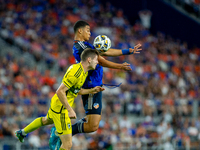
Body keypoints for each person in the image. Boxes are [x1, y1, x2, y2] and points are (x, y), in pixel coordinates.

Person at [50, 20, 142, 149]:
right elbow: (101, 61)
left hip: (96, 86)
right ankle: (60, 133)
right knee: (92, 126)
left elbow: (104, 51)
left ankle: (62, 132)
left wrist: (128, 51)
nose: (90, 32)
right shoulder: (80, 47)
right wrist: (120, 66)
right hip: (90, 87)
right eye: (87, 30)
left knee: (93, 126)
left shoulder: (86, 45)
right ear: (80, 31)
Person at [15, 48, 105, 150]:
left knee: (45, 120)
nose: (98, 62)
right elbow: (60, 91)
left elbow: (75, 90)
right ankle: (54, 133)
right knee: (67, 145)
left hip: (57, 104)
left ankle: (22, 132)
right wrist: (70, 110)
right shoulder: (76, 73)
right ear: (89, 59)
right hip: (61, 110)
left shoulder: (82, 71)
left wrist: (92, 90)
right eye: (96, 59)